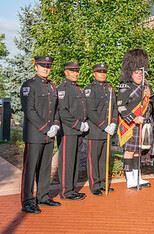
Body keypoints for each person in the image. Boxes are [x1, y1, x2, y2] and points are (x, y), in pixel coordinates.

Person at [20, 56, 61, 214]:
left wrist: (56, 124)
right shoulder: (29, 85)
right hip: (35, 135)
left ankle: (43, 196)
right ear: (35, 66)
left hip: (49, 135)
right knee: (30, 169)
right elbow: (29, 111)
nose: (46, 69)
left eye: (48, 66)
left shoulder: (51, 86)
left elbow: (56, 108)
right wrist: (46, 128)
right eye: (42, 66)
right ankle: (27, 201)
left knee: (45, 168)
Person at [116, 49, 152, 189]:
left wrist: (147, 96)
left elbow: (147, 107)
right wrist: (133, 118)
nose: (139, 75)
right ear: (130, 73)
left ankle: (138, 177)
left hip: (140, 124)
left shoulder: (145, 87)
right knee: (129, 152)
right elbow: (120, 107)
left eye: (141, 73)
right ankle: (129, 178)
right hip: (128, 124)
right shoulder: (126, 86)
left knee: (138, 151)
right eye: (136, 73)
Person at [84, 64, 118, 195]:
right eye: (99, 72)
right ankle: (95, 185)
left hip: (108, 131)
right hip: (95, 131)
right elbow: (91, 112)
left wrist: (114, 123)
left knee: (104, 159)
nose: (102, 74)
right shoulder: (90, 89)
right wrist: (105, 125)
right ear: (94, 74)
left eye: (104, 72)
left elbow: (114, 108)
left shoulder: (109, 88)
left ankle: (104, 182)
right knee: (93, 160)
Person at [57, 62, 88, 200]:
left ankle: (72, 189)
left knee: (75, 161)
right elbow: (62, 112)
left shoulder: (76, 88)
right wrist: (78, 124)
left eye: (77, 71)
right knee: (67, 162)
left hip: (77, 131)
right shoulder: (63, 88)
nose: (76, 73)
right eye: (73, 71)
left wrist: (84, 123)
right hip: (68, 131)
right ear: (66, 72)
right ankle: (65, 191)